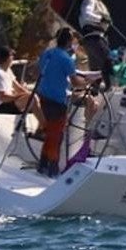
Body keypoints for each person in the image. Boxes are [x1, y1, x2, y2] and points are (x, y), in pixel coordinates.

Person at [36, 28, 84, 176]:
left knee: (49, 132)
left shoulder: (47, 54)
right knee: (56, 135)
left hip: (43, 97)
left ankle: (42, 164)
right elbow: (76, 82)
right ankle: (53, 168)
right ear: (69, 42)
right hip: (57, 101)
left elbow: (41, 70)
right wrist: (87, 82)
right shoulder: (66, 59)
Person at [0, 46, 44, 123]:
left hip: (10, 103)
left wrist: (28, 93)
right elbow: (3, 98)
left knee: (35, 97)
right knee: (33, 98)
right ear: (7, 58)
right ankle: (44, 126)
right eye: (12, 56)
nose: (13, 58)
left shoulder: (8, 71)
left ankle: (39, 125)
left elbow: (18, 87)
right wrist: (21, 96)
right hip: (1, 107)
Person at [75, 0, 114, 89]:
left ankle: (94, 91)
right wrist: (102, 19)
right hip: (95, 37)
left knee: (97, 67)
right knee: (108, 61)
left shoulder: (93, 0)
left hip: (91, 39)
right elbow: (87, 14)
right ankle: (108, 88)